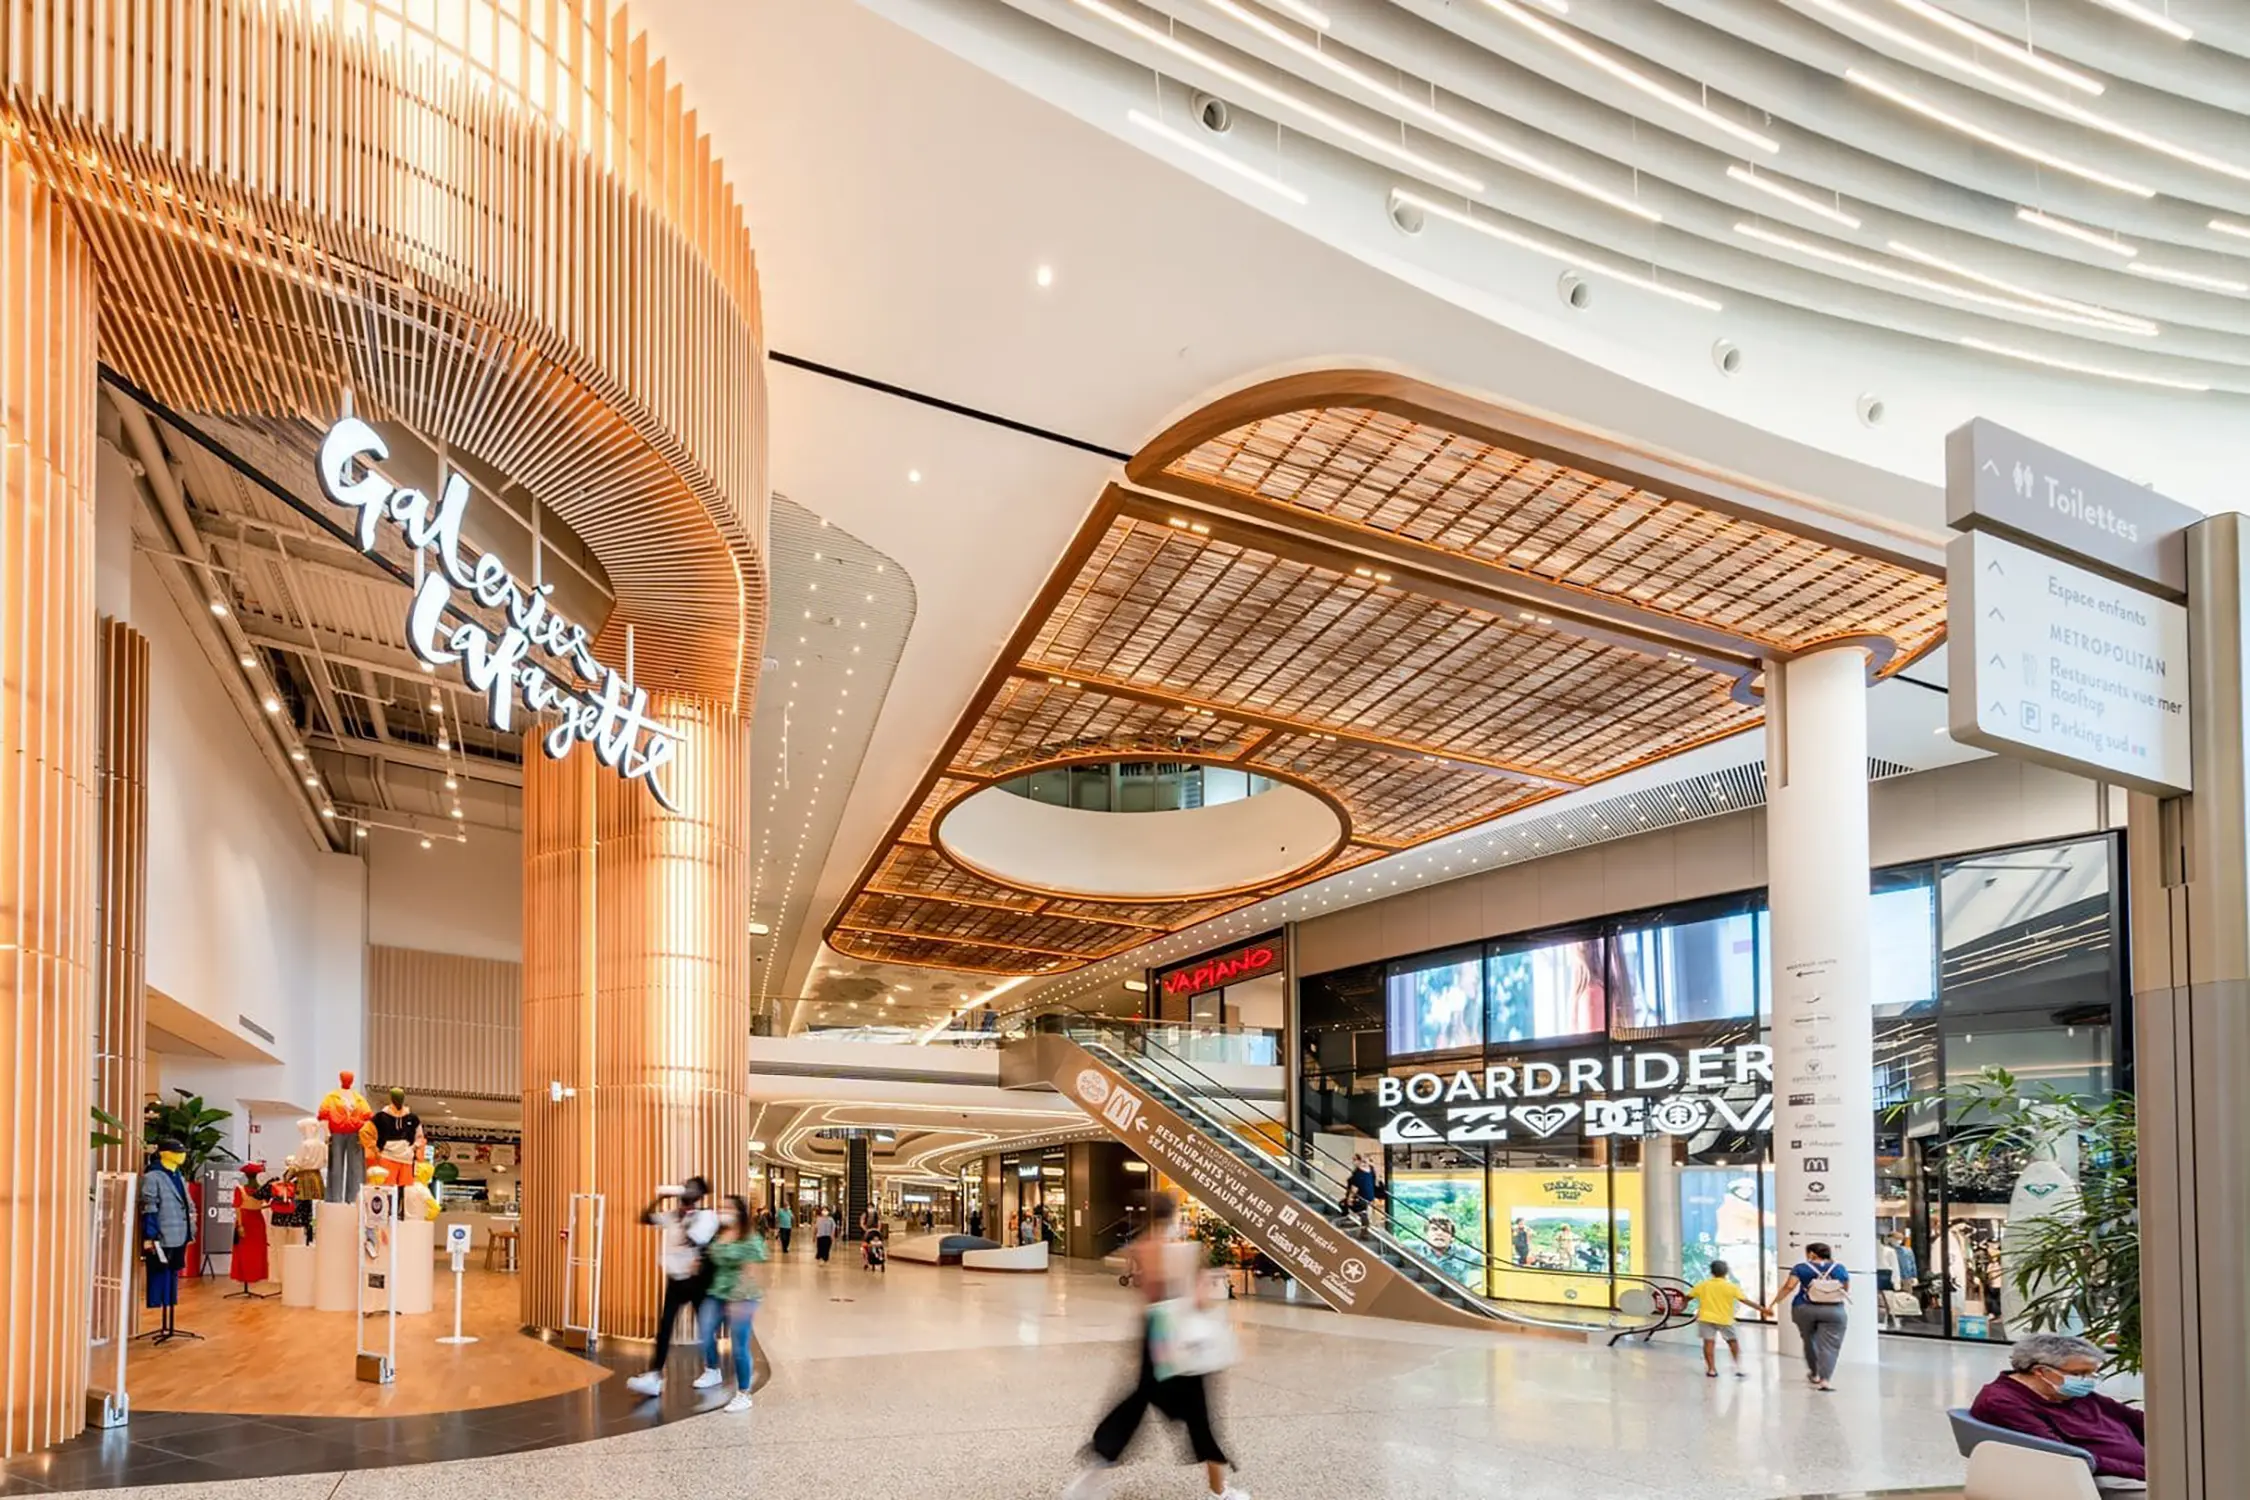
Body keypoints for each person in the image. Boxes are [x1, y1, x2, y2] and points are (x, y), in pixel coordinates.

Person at [1062, 1193, 1247, 1500]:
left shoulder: (1141, 1247)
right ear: (1172, 1216)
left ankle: (1093, 1471)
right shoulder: (1179, 1252)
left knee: (1137, 1403)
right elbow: (1198, 1300)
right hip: (1179, 1338)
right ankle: (1220, 1492)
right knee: (1198, 1414)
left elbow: (1145, 1292)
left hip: (1153, 1333)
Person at [1969, 1333, 2144, 1491]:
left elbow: (2137, 1419)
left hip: (2135, 1470)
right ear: (2041, 1371)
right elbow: (2066, 1456)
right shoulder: (2003, 1402)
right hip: (2088, 1479)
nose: (2087, 1381)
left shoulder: (2070, 1393)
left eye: (2091, 1374)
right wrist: (2147, 1470)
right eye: (2079, 1373)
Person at [625, 1177, 719, 1397]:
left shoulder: (706, 1216)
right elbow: (644, 1218)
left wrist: (684, 1217)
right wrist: (660, 1198)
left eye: (690, 1194)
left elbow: (694, 1240)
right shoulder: (673, 1216)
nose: (684, 1199)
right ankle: (655, 1376)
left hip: (696, 1281)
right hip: (675, 1280)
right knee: (665, 1327)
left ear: (698, 1197)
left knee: (705, 1328)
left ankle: (713, 1370)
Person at [698, 1195, 768, 1414]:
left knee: (739, 1346)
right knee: (705, 1331)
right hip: (718, 1291)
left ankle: (744, 1393)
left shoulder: (750, 1239)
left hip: (742, 1295)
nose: (722, 1212)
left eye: (728, 1208)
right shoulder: (719, 1234)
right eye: (720, 1207)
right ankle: (712, 1369)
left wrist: (741, 1299)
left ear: (740, 1212)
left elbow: (753, 1272)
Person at [1766, 1241, 1849, 1391]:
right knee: (1830, 1346)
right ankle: (1825, 1380)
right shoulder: (1840, 1268)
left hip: (1804, 1308)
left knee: (1809, 1340)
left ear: (1812, 1254)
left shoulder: (1801, 1268)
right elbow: (1845, 1288)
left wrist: (1774, 1303)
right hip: (1833, 1310)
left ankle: (1815, 1374)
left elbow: (1789, 1287)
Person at [1687, 1259, 1759, 1378]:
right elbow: (1745, 1301)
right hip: (1725, 1319)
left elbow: (1688, 1297)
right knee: (1733, 1342)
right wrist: (1762, 1309)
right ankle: (1738, 1367)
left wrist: (1680, 1305)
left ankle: (1711, 1369)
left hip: (1706, 1318)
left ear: (1712, 1272)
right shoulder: (1731, 1287)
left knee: (1708, 1343)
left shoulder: (1703, 1285)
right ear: (1726, 1272)